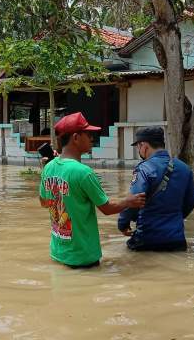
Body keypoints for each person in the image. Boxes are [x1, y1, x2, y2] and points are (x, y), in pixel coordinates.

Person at [39, 112, 146, 268]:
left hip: (58, 252)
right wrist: (129, 202)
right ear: (75, 138)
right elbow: (107, 209)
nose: (92, 138)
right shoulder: (84, 172)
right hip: (83, 257)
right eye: (88, 134)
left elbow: (44, 203)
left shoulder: (48, 168)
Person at [118, 126, 194, 251]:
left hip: (147, 238)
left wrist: (122, 224)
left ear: (144, 146)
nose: (139, 150)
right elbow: (192, 201)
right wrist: (173, 219)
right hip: (177, 240)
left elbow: (134, 200)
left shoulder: (144, 169)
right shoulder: (184, 168)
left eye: (138, 147)